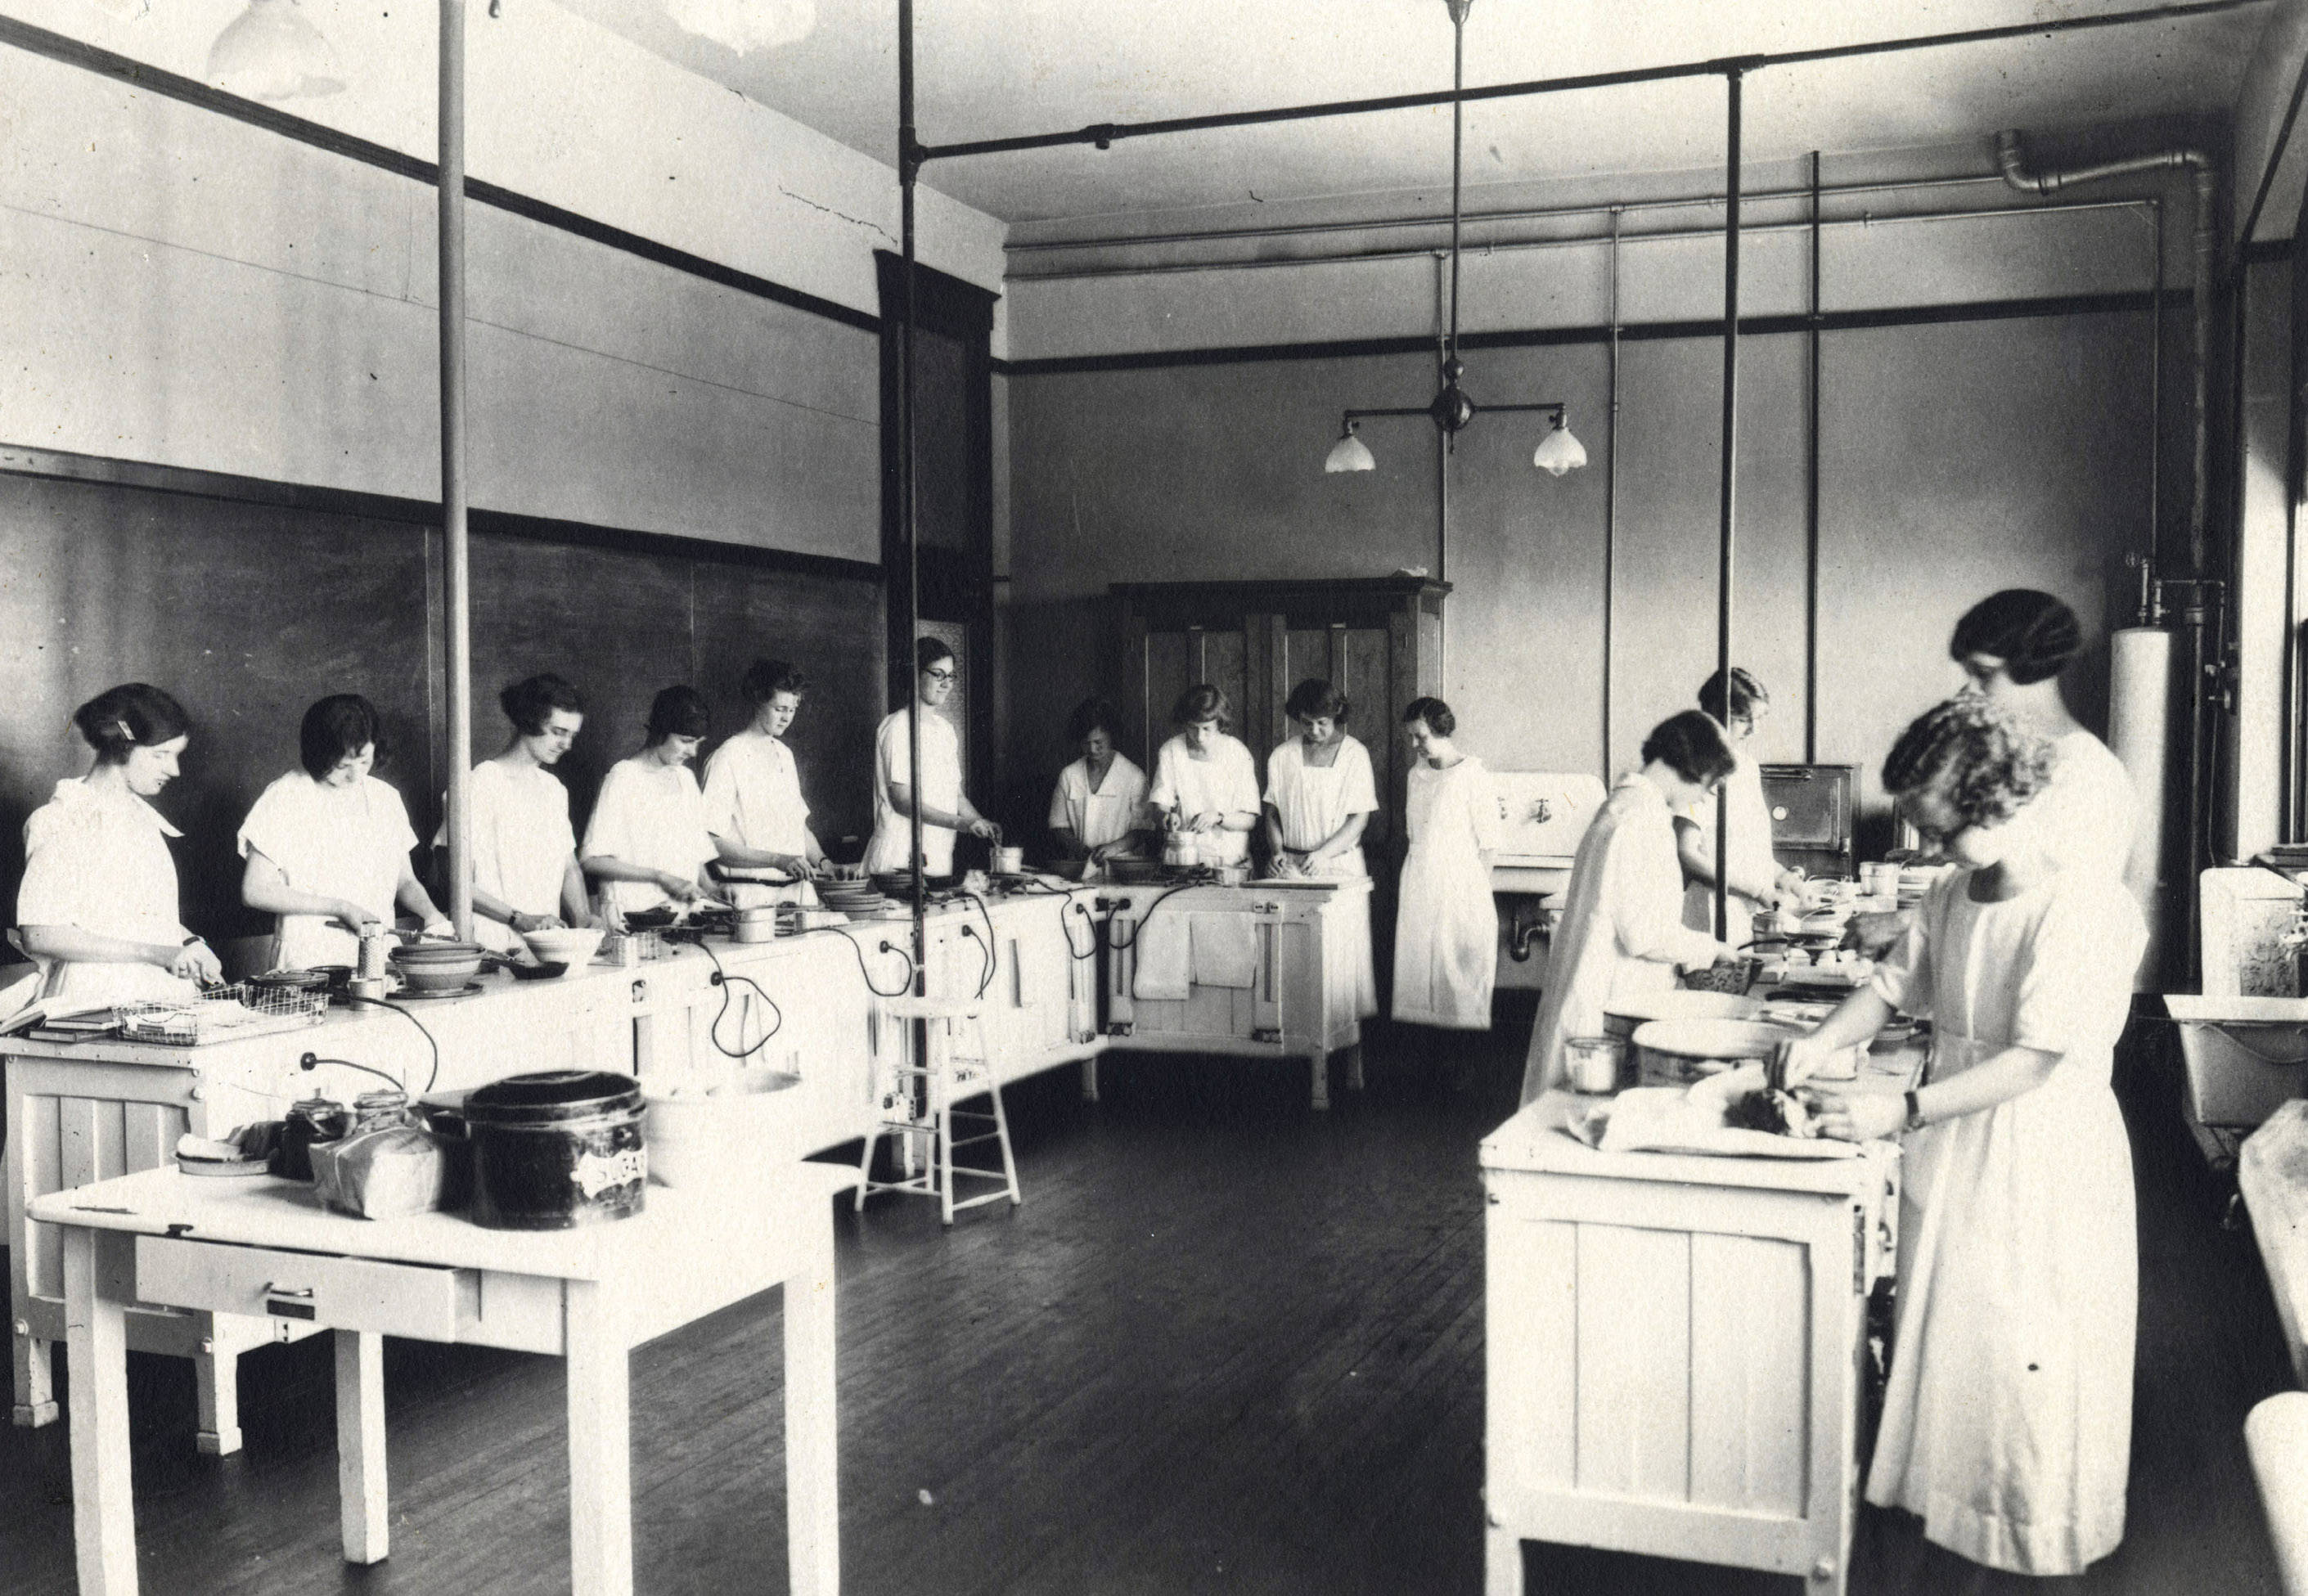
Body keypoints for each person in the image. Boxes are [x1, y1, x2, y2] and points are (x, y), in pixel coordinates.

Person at [1784, 697, 2144, 1579]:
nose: (1934, 850)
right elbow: (1894, 985)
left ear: (1999, 800)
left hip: (2040, 1146)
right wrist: (1820, 1041)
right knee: (1957, 1343)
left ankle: (2029, 1535)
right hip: (1958, 1144)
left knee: (2026, 1350)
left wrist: (1898, 1112)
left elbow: (2035, 1061)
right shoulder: (1953, 891)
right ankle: (1959, 1529)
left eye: (1945, 831)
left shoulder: (2081, 906)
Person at [1849, 588, 2135, 955]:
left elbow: (2060, 908)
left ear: (2035, 670)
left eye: (1984, 674)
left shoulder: (2088, 772)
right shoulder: (2005, 758)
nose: (1970, 690)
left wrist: (1902, 924)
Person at [1521, 710, 1739, 1101]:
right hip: (1609, 1002)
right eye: (1710, 785)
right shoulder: (1641, 820)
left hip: (1605, 991)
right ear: (1696, 769)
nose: (1705, 796)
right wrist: (1712, 949)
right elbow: (1644, 934)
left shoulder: (1626, 807)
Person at [15, 683, 222, 1008]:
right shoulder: (61, 819)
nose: (174, 769)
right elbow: (41, 933)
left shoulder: (141, 819)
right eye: (160, 754)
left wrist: (189, 942)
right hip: (92, 999)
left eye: (176, 755)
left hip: (153, 993)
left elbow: (130, 914)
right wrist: (157, 952)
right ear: (122, 747)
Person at [239, 694, 452, 971]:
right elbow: (256, 890)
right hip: (309, 959)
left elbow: (405, 881)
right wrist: (341, 907)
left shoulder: (385, 798)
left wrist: (433, 916)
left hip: (377, 955)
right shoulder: (286, 796)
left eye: (363, 761)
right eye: (342, 766)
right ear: (319, 755)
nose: (355, 776)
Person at [443, 672, 597, 954]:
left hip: (547, 943)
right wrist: (520, 918)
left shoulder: (553, 789)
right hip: (494, 946)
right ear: (529, 720)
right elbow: (455, 881)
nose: (567, 745)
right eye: (558, 732)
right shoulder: (480, 783)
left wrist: (584, 916)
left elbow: (568, 864)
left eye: (572, 735)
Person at [1265, 678, 1379, 1018]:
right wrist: (1277, 852)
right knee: (1294, 962)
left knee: (1342, 964)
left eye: (1322, 723)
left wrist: (1323, 854)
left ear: (1337, 717)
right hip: (1292, 870)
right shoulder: (1283, 756)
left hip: (1339, 868)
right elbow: (1271, 813)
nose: (1314, 730)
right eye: (1307, 722)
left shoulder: (1355, 755)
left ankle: (1351, 1059)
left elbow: (1359, 819)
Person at [1674, 667, 1809, 944]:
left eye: (1758, 719)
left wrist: (1786, 879)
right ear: (1715, 714)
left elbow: (1749, 851)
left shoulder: (1746, 767)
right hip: (1711, 915)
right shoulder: (1696, 768)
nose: (1753, 729)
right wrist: (1757, 890)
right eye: (1743, 719)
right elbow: (1686, 854)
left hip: (1751, 914)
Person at [1393, 697, 1501, 1031]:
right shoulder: (1417, 774)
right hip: (1420, 879)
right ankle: (1428, 1057)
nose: (1414, 745)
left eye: (1420, 737)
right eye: (1411, 737)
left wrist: (1476, 894)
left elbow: (1490, 843)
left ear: (1441, 730)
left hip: (1461, 884)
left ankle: (1464, 1060)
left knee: (1460, 973)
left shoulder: (1472, 774)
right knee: (1420, 971)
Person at [582, 686, 719, 919]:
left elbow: (693, 854)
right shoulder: (623, 777)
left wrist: (713, 889)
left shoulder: (684, 778)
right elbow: (591, 860)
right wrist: (660, 877)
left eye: (698, 742)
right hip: (633, 916)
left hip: (681, 915)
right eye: (686, 741)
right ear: (660, 731)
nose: (693, 752)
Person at [867, 637, 995, 876]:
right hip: (899, 857)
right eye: (938, 674)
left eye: (951, 676)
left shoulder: (945, 730)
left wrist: (980, 822)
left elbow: (956, 796)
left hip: (938, 854)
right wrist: (961, 823)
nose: (947, 683)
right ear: (914, 675)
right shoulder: (898, 726)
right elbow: (903, 801)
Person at [702, 658, 827, 890]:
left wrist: (823, 862)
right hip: (750, 892)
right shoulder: (728, 756)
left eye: (792, 709)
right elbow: (710, 842)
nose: (786, 717)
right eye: (779, 709)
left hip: (797, 891)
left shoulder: (784, 755)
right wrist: (776, 860)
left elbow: (797, 826)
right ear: (758, 702)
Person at [1147, 683, 1261, 867]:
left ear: (1220, 723)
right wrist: (1165, 818)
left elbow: (1249, 820)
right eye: (1193, 727)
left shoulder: (1237, 752)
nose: (1199, 736)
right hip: (1182, 859)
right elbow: (1158, 809)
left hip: (1230, 860)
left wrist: (1219, 817)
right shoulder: (1171, 750)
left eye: (1207, 728)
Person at [1048, 695, 1150, 865]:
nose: (1092, 749)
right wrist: (1080, 849)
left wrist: (1114, 848)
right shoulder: (1069, 775)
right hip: (1081, 867)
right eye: (1086, 743)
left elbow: (1142, 829)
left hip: (1123, 868)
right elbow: (1058, 825)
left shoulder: (1133, 776)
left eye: (1098, 742)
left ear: (1111, 736)